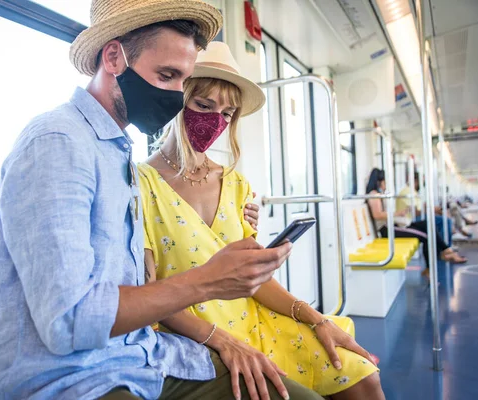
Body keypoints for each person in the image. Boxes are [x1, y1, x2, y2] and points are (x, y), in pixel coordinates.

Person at [0, 1, 323, 399]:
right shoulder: (58, 144)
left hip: (145, 356)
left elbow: (139, 282)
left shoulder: (117, 155)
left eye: (182, 81)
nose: (175, 96)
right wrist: (208, 280)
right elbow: (68, 321)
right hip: (77, 379)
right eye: (166, 75)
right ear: (114, 57)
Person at [139, 42, 384, 400]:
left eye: (227, 113)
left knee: (361, 376)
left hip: (253, 317)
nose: (215, 122)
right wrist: (222, 340)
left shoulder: (236, 184)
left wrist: (315, 318)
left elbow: (254, 283)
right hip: (193, 332)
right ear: (179, 100)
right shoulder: (141, 185)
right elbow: (149, 292)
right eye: (203, 106)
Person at [366, 169, 466, 278]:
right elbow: (377, 215)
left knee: (427, 225)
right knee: (427, 236)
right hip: (387, 229)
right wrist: (398, 213)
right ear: (379, 181)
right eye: (385, 182)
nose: (386, 185)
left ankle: (446, 251)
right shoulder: (374, 195)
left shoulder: (380, 194)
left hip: (394, 224)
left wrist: (399, 214)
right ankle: (439, 259)